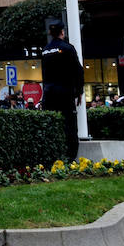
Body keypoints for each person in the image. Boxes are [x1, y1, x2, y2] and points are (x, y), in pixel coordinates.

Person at [40, 20, 85, 161]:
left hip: (49, 93)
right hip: (65, 93)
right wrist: (79, 91)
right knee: (69, 125)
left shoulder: (45, 50)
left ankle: (52, 156)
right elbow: (78, 71)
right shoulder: (67, 48)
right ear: (62, 32)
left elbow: (44, 74)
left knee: (51, 124)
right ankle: (71, 157)